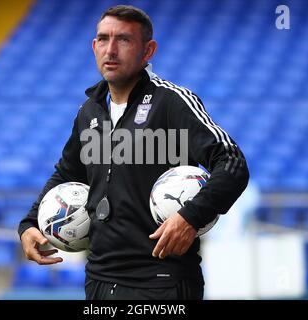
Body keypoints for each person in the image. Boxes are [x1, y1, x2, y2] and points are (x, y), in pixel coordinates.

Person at [19, 5, 249, 300]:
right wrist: (29, 223)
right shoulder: (89, 111)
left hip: (162, 282)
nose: (111, 50)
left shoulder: (171, 102)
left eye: (124, 40)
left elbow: (232, 164)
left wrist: (190, 217)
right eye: (103, 39)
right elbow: (66, 174)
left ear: (148, 51)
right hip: (99, 281)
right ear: (94, 46)